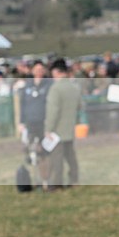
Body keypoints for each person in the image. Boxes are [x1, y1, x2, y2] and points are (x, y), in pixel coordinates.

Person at [44, 58, 82, 190]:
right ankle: (74, 179)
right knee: (71, 156)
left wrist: (48, 129)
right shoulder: (75, 87)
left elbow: (53, 111)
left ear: (56, 72)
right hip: (69, 127)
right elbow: (80, 106)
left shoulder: (56, 89)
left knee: (57, 159)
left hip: (57, 130)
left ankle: (56, 184)